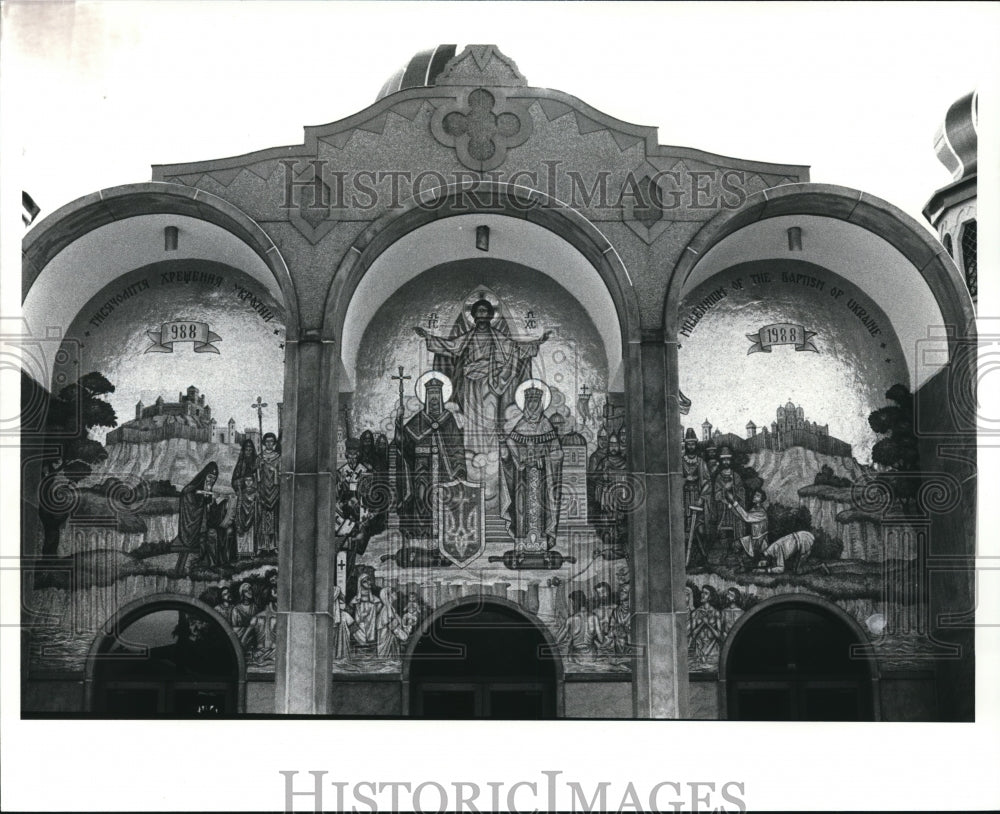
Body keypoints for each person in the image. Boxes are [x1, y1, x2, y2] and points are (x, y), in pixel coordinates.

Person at [414, 298, 551, 504]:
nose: (481, 316)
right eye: (478, 312)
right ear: (474, 316)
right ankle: (470, 473)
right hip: (469, 386)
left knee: (489, 423)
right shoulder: (467, 338)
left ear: (490, 315)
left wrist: (537, 343)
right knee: (470, 425)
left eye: (485, 312)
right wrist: (429, 337)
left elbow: (515, 348)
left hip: (491, 385)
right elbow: (450, 346)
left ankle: (491, 478)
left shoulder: (498, 338)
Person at [394, 376, 468, 543]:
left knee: (446, 497)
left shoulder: (448, 419)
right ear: (426, 397)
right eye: (431, 396)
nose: (434, 400)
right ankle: (423, 533)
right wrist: (398, 422)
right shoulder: (419, 419)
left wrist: (459, 468)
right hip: (422, 467)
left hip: (444, 467)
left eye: (437, 396)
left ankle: (445, 533)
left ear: (441, 397)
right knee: (421, 497)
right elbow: (403, 444)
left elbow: (457, 446)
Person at [499, 382, 563, 553]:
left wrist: (546, 459)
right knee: (521, 509)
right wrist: (516, 459)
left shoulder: (547, 425)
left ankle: (541, 544)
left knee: (541, 508)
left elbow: (557, 452)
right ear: (525, 404)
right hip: (523, 478)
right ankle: (521, 544)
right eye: (529, 402)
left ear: (541, 404)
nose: (532, 407)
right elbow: (510, 442)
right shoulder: (520, 425)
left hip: (542, 476)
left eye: (536, 402)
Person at [175, 462, 229, 569]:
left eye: (214, 478)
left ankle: (217, 562)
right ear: (204, 475)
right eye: (209, 477)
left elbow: (208, 510)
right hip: (191, 529)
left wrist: (215, 502)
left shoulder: (208, 489)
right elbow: (189, 503)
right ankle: (210, 563)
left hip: (203, 526)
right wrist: (201, 498)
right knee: (211, 534)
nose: (211, 480)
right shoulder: (190, 489)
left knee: (220, 532)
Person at [558, 589, 604, 662]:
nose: (571, 606)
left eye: (571, 603)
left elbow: (558, 640)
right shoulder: (594, 618)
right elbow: (601, 640)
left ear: (575, 603)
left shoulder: (570, 620)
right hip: (591, 656)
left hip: (575, 656)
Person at [727, 489, 769, 566]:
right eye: (755, 495)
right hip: (753, 539)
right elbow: (742, 517)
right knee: (735, 545)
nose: (754, 496)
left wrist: (734, 502)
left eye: (757, 496)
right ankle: (742, 564)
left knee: (753, 561)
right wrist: (731, 507)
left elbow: (746, 517)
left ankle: (748, 565)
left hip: (760, 542)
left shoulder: (761, 513)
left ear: (761, 500)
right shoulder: (754, 509)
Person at [255, 433, 281, 554]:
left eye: (272, 441)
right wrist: (259, 469)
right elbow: (256, 477)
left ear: (274, 443)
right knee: (263, 518)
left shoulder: (278, 457)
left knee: (274, 518)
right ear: (264, 443)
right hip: (263, 491)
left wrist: (275, 471)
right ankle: (262, 546)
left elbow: (280, 474)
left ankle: (274, 546)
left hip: (274, 491)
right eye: (267, 441)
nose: (269, 444)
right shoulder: (260, 457)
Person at [689, 585, 723, 669]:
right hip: (699, 652)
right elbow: (693, 635)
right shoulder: (695, 613)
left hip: (713, 651)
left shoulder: (716, 613)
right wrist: (702, 624)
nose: (702, 595)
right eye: (702, 593)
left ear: (711, 597)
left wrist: (707, 624)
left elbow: (719, 636)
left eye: (706, 593)